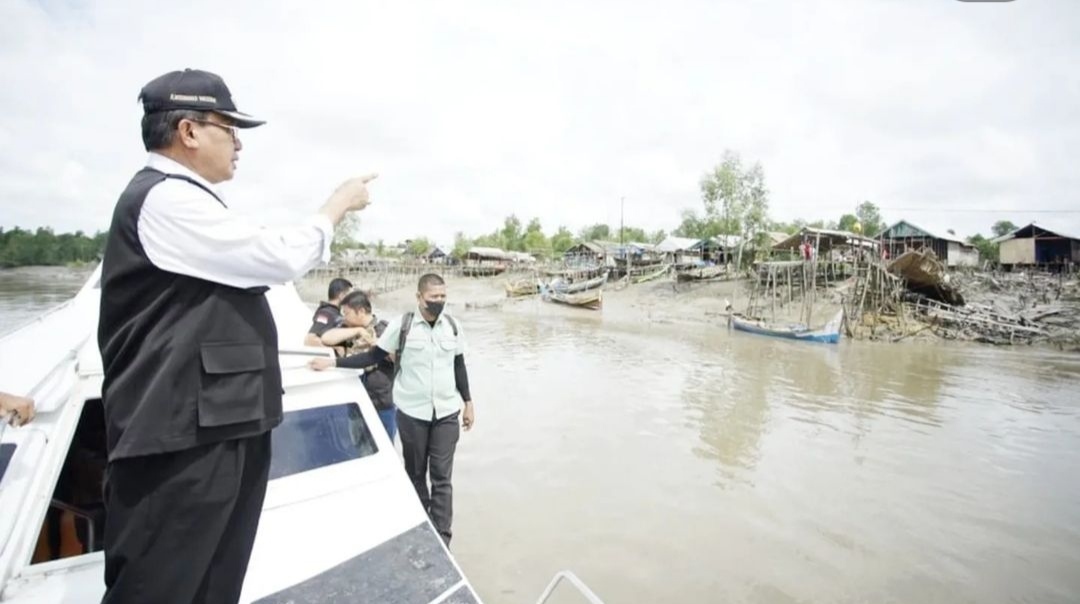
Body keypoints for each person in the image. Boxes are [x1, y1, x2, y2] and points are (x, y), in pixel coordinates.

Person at [96, 67, 376, 604]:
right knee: (163, 587)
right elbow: (276, 257)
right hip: (182, 437)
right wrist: (336, 205)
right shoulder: (164, 199)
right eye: (229, 127)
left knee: (211, 584)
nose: (239, 142)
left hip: (219, 424)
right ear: (189, 131)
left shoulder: (189, 200)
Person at [309, 273, 473, 546]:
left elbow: (459, 365)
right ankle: (425, 528)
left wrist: (468, 402)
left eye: (443, 296)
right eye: (434, 297)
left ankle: (443, 539)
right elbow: (372, 356)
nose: (439, 302)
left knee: (443, 479)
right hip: (412, 414)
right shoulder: (402, 326)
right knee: (416, 474)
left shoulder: (453, 327)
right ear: (420, 297)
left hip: (446, 413)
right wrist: (333, 365)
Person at [316, 290, 398, 439]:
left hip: (381, 404)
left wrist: (377, 344)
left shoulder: (384, 329)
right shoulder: (348, 330)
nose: (344, 317)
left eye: (347, 313)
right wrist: (358, 330)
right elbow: (326, 338)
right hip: (355, 402)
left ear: (360, 311)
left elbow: (398, 358)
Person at [303, 277, 353, 349]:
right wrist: (335, 351)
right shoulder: (325, 313)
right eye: (350, 295)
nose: (352, 299)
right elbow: (310, 340)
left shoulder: (334, 313)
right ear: (341, 295)